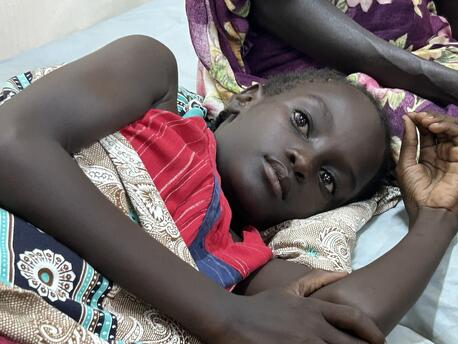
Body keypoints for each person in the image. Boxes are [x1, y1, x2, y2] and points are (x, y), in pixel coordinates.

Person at [0, 35, 457, 343]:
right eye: (302, 122)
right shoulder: (153, 82)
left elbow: (343, 326)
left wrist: (440, 215)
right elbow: (12, 144)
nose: (305, 161)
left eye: (327, 180)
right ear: (246, 97)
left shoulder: (248, 263)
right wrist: (221, 315)